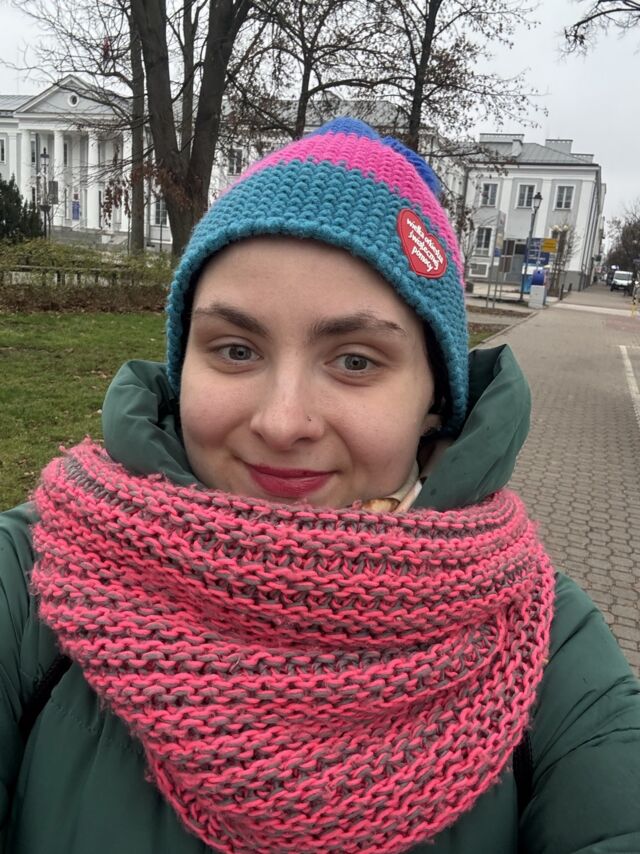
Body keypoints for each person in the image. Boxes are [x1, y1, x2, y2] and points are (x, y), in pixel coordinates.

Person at [1, 118, 639, 854]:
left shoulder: (547, 650)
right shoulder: (33, 583)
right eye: (235, 350)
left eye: (355, 361)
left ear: (435, 398)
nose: (283, 422)